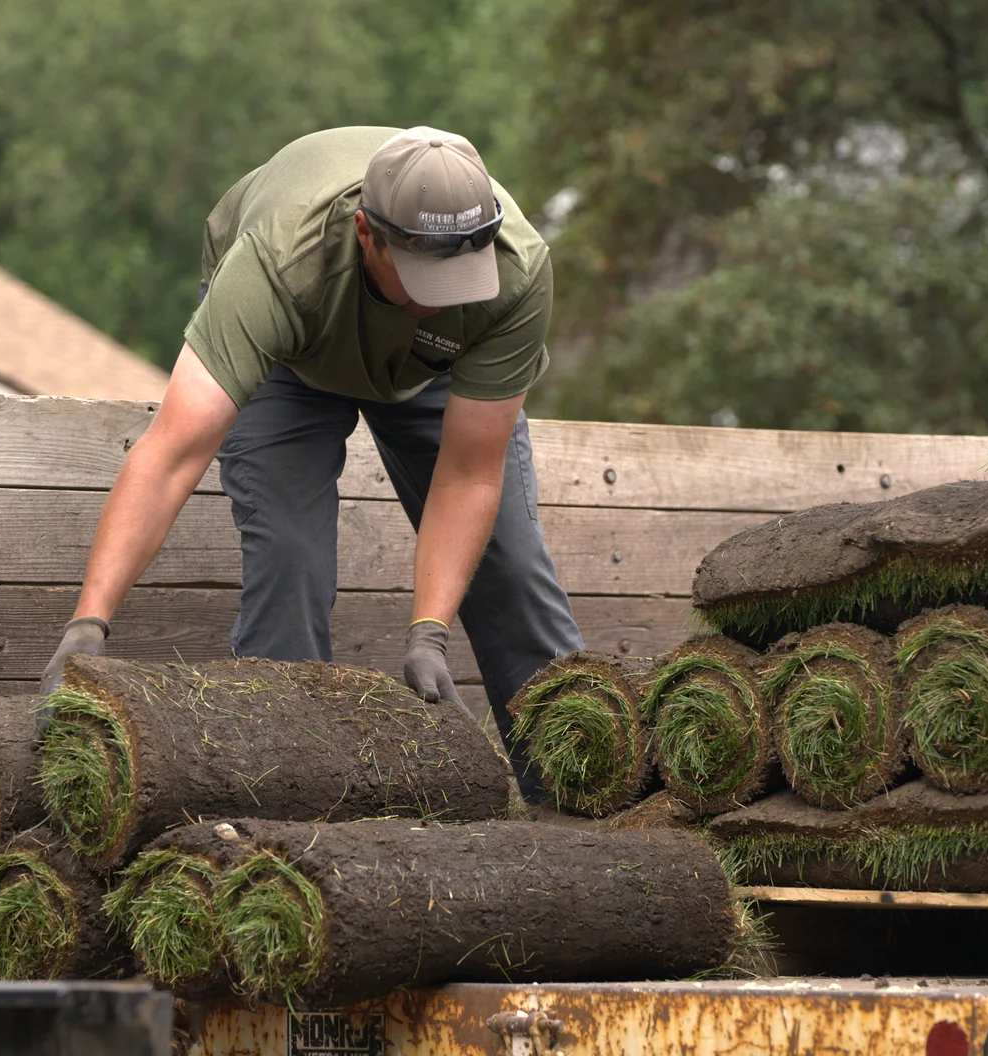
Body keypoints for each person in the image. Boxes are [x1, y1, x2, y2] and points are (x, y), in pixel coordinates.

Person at [36, 125, 583, 802]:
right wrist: (89, 622)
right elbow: (174, 452)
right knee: (288, 559)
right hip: (293, 351)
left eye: (457, 276)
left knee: (513, 566)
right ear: (367, 233)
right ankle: (292, 810)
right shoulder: (278, 258)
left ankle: (575, 806)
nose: (440, 296)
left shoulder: (514, 272)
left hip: (434, 367)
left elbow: (471, 472)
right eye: (423, 277)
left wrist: (430, 634)